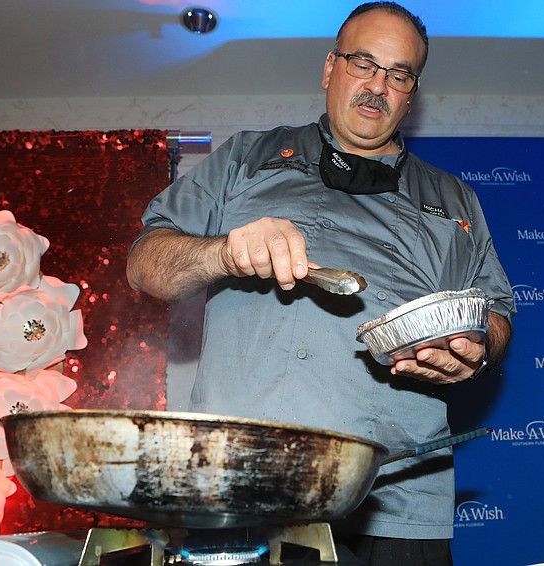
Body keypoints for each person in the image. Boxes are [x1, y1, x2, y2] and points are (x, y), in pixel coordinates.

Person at [127, 2, 515, 564]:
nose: (378, 85)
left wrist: (476, 351)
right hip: (244, 483)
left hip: (398, 495)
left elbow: (497, 314)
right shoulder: (245, 157)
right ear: (329, 68)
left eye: (399, 73)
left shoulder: (457, 199)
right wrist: (225, 252)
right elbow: (147, 266)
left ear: (412, 92)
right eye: (363, 62)